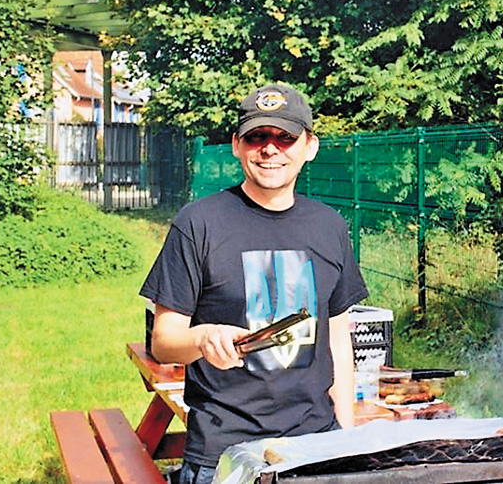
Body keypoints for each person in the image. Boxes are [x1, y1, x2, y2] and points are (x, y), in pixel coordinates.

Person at [140, 83, 368, 484]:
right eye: (257, 137)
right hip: (223, 454)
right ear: (236, 145)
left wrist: (345, 435)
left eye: (285, 137)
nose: (270, 149)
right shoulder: (199, 223)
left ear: (310, 146)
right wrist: (203, 338)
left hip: (315, 445)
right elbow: (163, 341)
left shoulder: (330, 226)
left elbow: (337, 337)